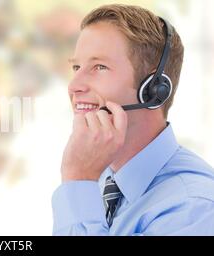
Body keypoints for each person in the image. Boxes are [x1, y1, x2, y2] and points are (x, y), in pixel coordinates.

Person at [52, 4, 214, 235]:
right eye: (77, 67)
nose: (74, 86)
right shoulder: (101, 180)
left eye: (99, 67)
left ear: (154, 90)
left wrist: (79, 179)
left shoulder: (193, 209)